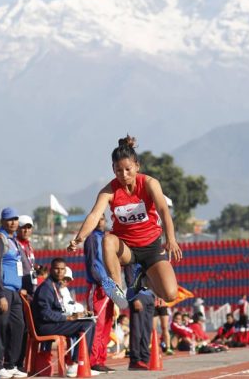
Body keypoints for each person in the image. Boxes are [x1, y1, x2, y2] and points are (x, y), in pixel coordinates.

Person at [67, 136, 182, 309]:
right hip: (126, 247)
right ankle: (117, 289)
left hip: (151, 246)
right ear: (113, 170)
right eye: (118, 170)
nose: (124, 175)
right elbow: (94, 215)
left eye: (128, 169)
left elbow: (164, 210)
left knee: (170, 294)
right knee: (107, 240)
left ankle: (142, 279)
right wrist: (79, 238)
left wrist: (171, 239)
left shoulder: (150, 183)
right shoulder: (109, 191)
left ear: (137, 166)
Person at [31, 258, 98, 378]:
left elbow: (59, 309)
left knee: (89, 321)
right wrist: (68, 318)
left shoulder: (55, 286)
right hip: (46, 326)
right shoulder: (46, 288)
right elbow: (45, 314)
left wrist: (78, 315)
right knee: (87, 325)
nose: (60, 272)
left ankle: (81, 362)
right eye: (57, 269)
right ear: (51, 269)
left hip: (53, 323)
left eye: (62, 269)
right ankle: (75, 364)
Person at [0, 207, 28, 379]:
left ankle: (10, 364)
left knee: (18, 327)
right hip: (2, 291)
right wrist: (0, 293)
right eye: (10, 219)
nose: (13, 222)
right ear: (2, 221)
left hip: (15, 292)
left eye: (16, 219)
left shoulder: (14, 241)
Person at [84, 216, 115, 374]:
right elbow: (92, 264)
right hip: (98, 285)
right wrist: (101, 281)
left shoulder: (107, 238)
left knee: (108, 323)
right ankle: (93, 360)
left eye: (102, 218)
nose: (100, 222)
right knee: (98, 323)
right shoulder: (91, 238)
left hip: (110, 283)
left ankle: (101, 360)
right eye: (97, 219)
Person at [15, 215, 37, 374]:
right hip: (20, 291)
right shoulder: (15, 245)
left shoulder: (29, 246)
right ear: (17, 228)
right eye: (23, 227)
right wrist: (19, 288)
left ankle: (22, 363)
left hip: (30, 292)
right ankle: (16, 363)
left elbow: (30, 269)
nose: (26, 230)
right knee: (19, 328)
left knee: (26, 329)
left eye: (29, 227)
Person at [127, 264, 155, 371]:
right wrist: (134, 298)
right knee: (137, 331)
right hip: (138, 296)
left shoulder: (148, 257)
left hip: (150, 296)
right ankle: (135, 360)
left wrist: (159, 294)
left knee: (147, 330)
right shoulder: (131, 259)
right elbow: (129, 278)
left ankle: (145, 358)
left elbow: (155, 276)